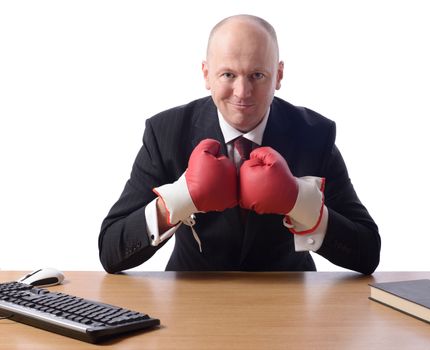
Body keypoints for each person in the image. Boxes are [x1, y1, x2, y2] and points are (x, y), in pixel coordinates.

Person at [98, 14, 381, 274]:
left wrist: (300, 203)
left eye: (257, 75)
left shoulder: (315, 134)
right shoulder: (166, 132)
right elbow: (110, 250)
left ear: (279, 76)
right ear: (206, 74)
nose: (242, 92)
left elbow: (368, 251)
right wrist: (176, 201)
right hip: (191, 300)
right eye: (228, 75)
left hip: (289, 300)